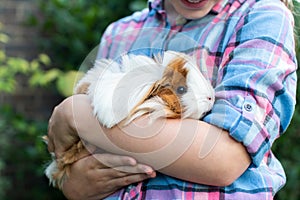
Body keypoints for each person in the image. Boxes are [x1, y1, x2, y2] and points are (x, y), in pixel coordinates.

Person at [46, 0, 297, 199]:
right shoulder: (119, 34)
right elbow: (75, 160)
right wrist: (73, 184)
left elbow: (224, 159)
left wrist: (76, 113)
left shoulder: (260, 17)